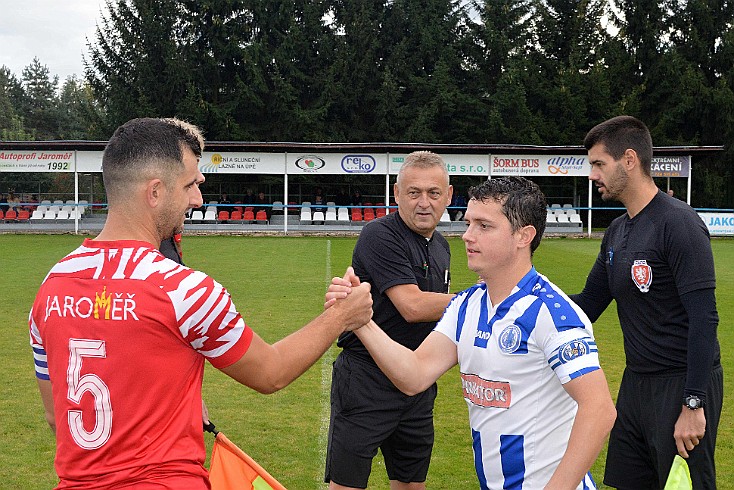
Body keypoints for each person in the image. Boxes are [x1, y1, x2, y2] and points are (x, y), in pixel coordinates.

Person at [28, 117, 373, 489]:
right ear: (155, 192)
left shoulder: (51, 286)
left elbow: (55, 415)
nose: (198, 199)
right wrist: (342, 316)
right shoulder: (184, 290)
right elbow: (271, 372)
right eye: (190, 184)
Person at [327, 176, 617, 489]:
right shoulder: (467, 305)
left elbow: (599, 409)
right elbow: (413, 375)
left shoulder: (552, 313)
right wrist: (360, 320)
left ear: (524, 236)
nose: (467, 236)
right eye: (468, 223)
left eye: (484, 226)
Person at [570, 115, 722, 489]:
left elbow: (704, 319)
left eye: (599, 164)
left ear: (630, 160)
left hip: (681, 385)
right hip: (635, 384)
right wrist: (523, 296)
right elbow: (588, 304)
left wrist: (693, 403)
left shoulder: (679, 223)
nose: (593, 175)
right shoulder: (618, 231)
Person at [324, 151, 455, 490]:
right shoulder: (380, 234)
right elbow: (411, 306)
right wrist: (484, 301)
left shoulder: (441, 245)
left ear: (449, 196)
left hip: (417, 381)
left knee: (412, 484)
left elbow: (438, 316)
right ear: (396, 195)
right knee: (347, 485)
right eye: (413, 193)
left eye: (433, 193)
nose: (423, 202)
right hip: (367, 381)